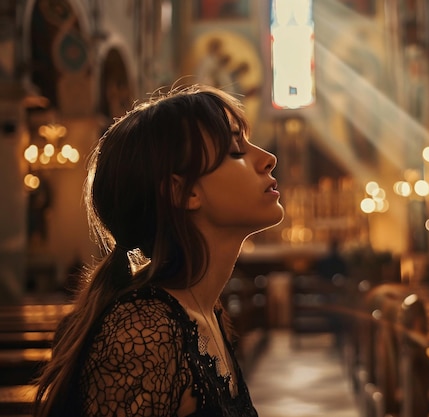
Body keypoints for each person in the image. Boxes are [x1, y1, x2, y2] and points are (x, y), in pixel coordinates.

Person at [34, 84, 284, 416]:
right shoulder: (143, 331)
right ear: (182, 192)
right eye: (236, 149)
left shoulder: (208, 314)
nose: (268, 159)